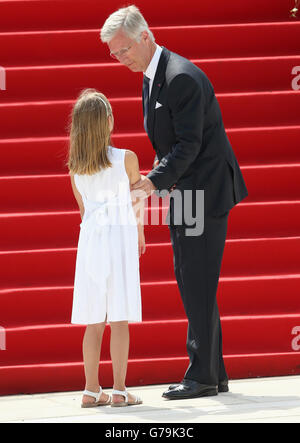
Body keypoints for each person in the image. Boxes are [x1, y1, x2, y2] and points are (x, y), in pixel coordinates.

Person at [100, 6, 249, 400]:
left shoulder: (180, 77)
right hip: (188, 191)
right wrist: (160, 177)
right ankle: (213, 373)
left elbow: (188, 146)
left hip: (202, 192)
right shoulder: (153, 76)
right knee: (193, 280)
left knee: (195, 280)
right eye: (114, 53)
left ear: (145, 36)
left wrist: (151, 182)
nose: (120, 58)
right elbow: (170, 142)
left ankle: (201, 376)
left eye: (124, 49)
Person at [67, 88, 145, 407]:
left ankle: (90, 389)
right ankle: (120, 390)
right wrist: (139, 235)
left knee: (93, 319)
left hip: (91, 241)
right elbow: (137, 201)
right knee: (120, 316)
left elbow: (84, 212)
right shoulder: (126, 158)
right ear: (109, 123)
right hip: (120, 238)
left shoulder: (75, 168)